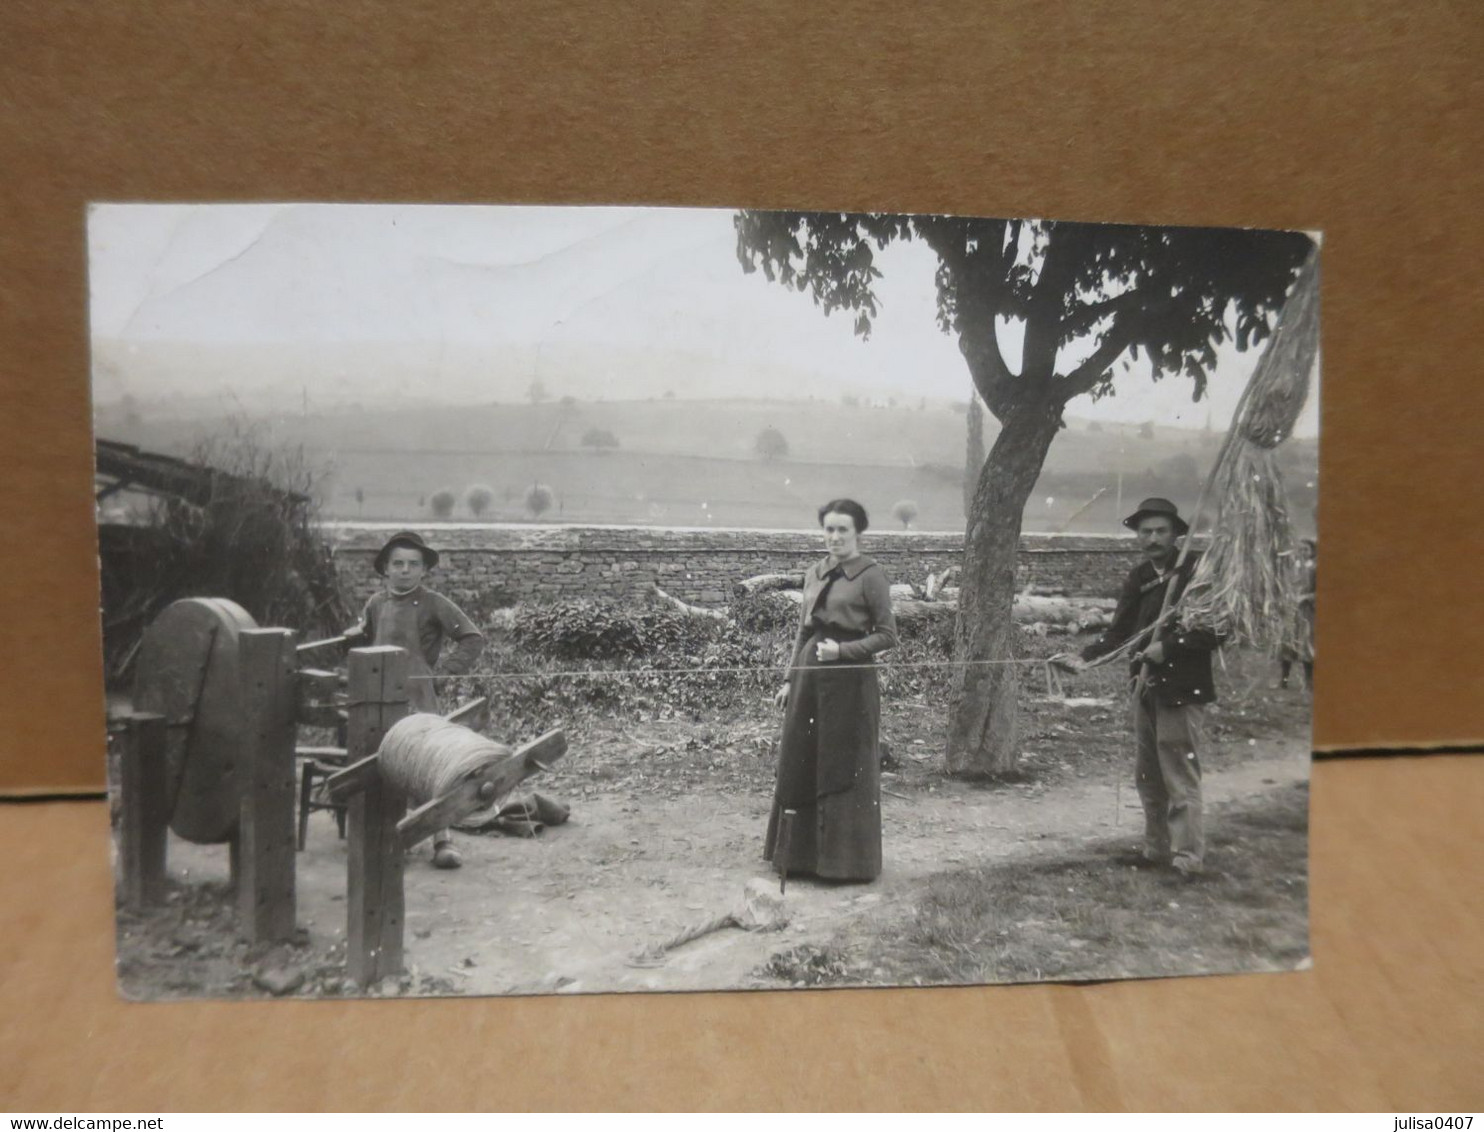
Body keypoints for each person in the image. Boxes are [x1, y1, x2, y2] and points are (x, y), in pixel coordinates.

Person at [1052, 498, 1221, 878]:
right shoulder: (1139, 577)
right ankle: (1156, 848)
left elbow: (1217, 630)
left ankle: (1188, 857)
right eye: (1145, 531)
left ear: (1177, 533)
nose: (1153, 538)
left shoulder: (1196, 573)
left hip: (1182, 688)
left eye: (1161, 530)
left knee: (1178, 773)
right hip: (1143, 686)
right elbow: (1119, 634)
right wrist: (1084, 658)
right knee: (1147, 774)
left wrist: (1169, 647)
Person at [763, 499, 898, 883]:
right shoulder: (814, 573)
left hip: (850, 683)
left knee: (843, 763)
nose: (835, 537)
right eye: (829, 529)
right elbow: (803, 631)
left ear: (858, 533)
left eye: (843, 530)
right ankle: (800, 858)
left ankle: (843, 864)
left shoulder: (871, 576)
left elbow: (888, 636)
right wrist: (790, 679)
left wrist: (843, 651)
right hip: (809, 677)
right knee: (801, 758)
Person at [345, 530, 485, 869]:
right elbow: (366, 638)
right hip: (377, 697)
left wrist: (443, 673)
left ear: (423, 570)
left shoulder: (434, 602)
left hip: (419, 697)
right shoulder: (376, 604)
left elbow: (472, 638)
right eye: (398, 564)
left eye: (412, 565)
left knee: (425, 764)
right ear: (385, 569)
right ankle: (392, 836)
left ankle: (442, 840)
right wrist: (354, 638)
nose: (405, 570)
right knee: (382, 761)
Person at [1278, 538, 1316, 691]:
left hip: (1307, 612)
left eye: (1306, 549)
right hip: (1291, 611)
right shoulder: (1293, 567)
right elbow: (1285, 585)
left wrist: (1306, 597)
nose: (1302, 552)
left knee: (1306, 646)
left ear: (1312, 551)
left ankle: (1309, 682)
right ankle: (1284, 680)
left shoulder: (1316, 567)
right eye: (1300, 549)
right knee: (1287, 645)